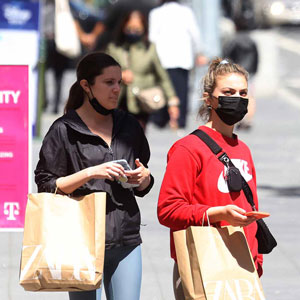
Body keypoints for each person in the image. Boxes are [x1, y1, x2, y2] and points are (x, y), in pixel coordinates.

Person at [34, 52, 154, 300]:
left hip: (125, 238)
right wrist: (91, 173)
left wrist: (144, 179)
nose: (116, 89)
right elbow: (46, 186)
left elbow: (144, 178)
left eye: (119, 82)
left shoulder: (129, 125)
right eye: (109, 82)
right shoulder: (63, 130)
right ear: (86, 86)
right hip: (81, 239)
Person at [157, 57, 263, 299]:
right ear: (209, 99)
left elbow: (251, 209)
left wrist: (256, 260)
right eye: (228, 92)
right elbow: (168, 209)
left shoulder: (243, 149)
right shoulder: (188, 148)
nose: (237, 98)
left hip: (242, 264)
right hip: (203, 262)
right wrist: (217, 213)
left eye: (243, 93)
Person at [106, 9, 180, 131]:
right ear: (123, 27)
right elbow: (102, 71)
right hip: (118, 100)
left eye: (137, 29)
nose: (133, 32)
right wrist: (119, 75)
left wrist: (172, 102)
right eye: (129, 28)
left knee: (137, 139)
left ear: (144, 29)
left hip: (141, 102)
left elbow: (163, 77)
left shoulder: (150, 49)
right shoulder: (114, 48)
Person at [149, 0, 207, 130]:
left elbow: (152, 37)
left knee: (162, 89)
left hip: (162, 58)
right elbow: (195, 34)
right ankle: (179, 120)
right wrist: (199, 52)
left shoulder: (156, 13)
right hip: (182, 57)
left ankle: (160, 119)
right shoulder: (186, 12)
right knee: (181, 91)